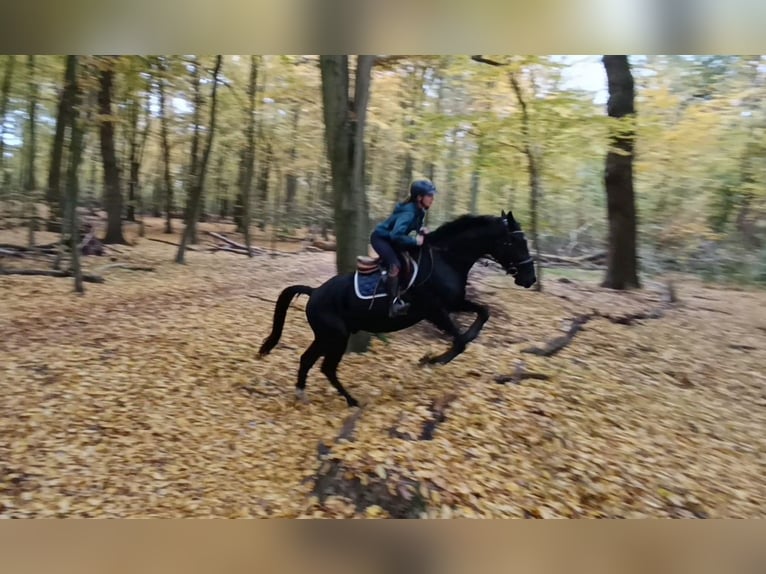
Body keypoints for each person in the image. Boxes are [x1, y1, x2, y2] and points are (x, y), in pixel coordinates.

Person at [370, 179, 437, 317]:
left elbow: (414, 228)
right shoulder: (409, 212)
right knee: (395, 266)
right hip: (381, 239)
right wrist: (415, 241)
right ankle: (393, 304)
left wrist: (421, 231)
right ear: (419, 197)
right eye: (429, 195)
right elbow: (396, 235)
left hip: (392, 240)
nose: (432, 199)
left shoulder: (420, 211)